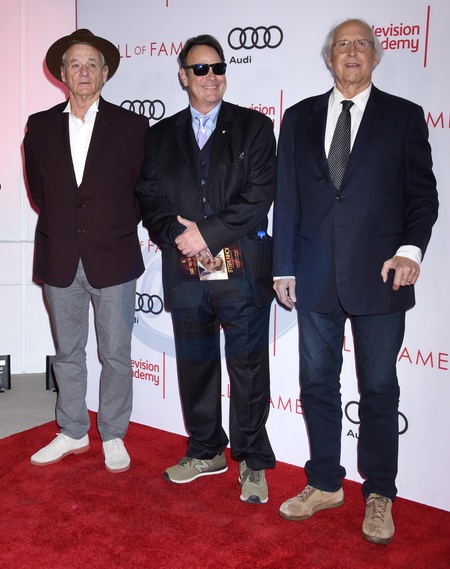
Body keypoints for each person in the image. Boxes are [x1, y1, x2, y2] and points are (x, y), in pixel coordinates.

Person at [272, 18, 438, 543]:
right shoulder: (298, 117)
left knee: (380, 387)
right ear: (329, 58)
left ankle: (380, 493)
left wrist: (409, 252)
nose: (351, 51)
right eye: (342, 44)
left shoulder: (404, 116)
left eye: (361, 44)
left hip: (381, 276)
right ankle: (324, 482)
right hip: (315, 274)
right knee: (317, 383)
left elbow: (423, 196)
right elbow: (287, 198)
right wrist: (283, 265)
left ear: (375, 56)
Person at [136, 34, 276, 503]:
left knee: (248, 370)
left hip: (242, 271)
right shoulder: (158, 136)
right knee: (195, 366)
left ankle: (252, 460)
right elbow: (149, 197)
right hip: (186, 272)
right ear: (183, 75)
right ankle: (206, 450)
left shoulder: (255, 127)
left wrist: (206, 235)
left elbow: (258, 197)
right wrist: (180, 239)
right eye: (200, 69)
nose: (211, 76)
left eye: (218, 67)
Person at [24, 29, 148, 473]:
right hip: (59, 255)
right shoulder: (39, 126)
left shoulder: (132, 127)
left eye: (91, 64)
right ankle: (73, 429)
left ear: (105, 73)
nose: (83, 71)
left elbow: (142, 191)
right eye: (74, 64)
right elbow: (40, 192)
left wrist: (109, 227)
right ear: (62, 73)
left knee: (115, 354)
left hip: (113, 257)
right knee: (68, 352)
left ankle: (113, 433)